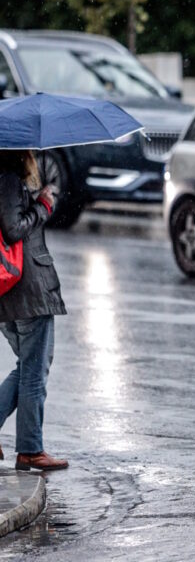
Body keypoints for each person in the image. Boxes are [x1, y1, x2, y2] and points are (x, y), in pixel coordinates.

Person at [0, 150, 68, 471]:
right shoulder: (9, 179)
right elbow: (14, 228)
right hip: (27, 288)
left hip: (14, 291)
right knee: (34, 370)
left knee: (29, 366)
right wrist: (42, 206)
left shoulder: (9, 180)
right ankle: (29, 448)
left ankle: (29, 446)